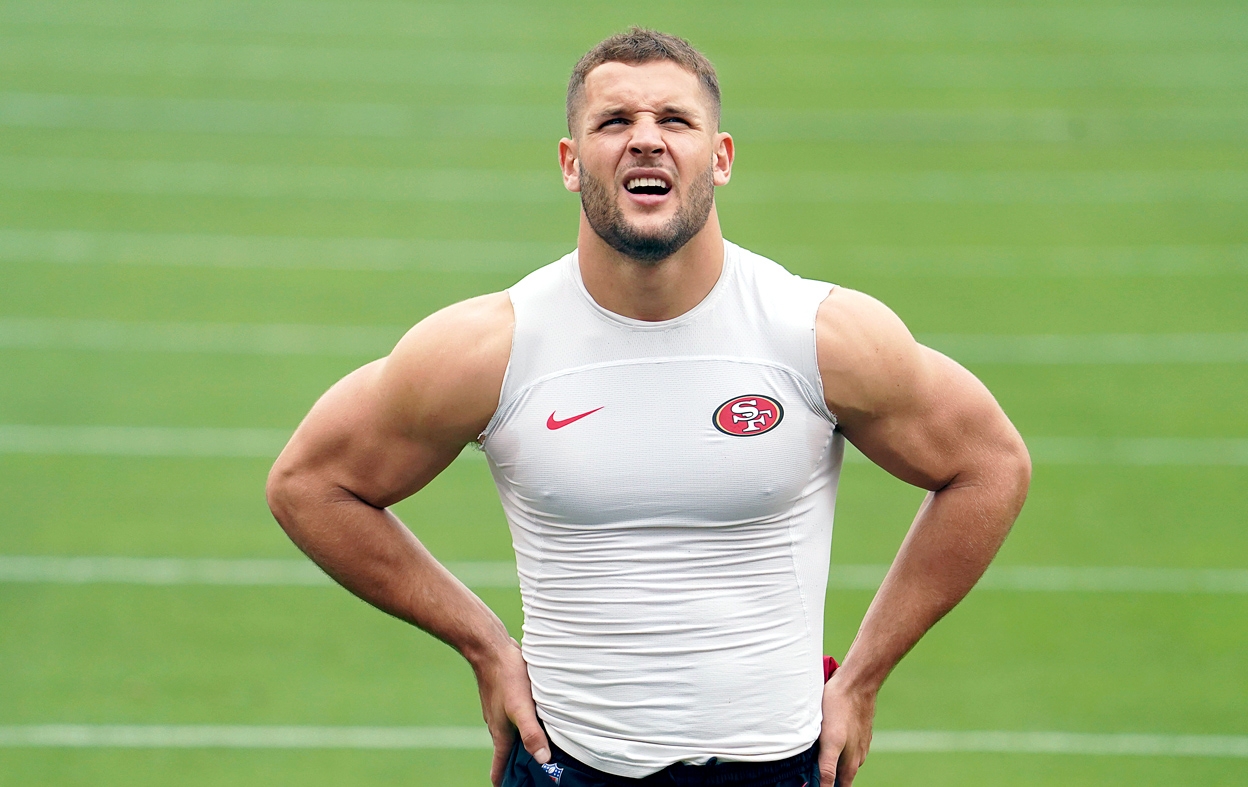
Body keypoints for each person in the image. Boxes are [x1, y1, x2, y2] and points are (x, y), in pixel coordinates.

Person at [266, 27, 1031, 787]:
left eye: (673, 120)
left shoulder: (816, 334)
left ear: (720, 156)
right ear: (570, 163)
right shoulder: (495, 345)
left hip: (779, 768)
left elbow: (989, 463)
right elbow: (309, 483)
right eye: (614, 122)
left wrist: (863, 675)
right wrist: (483, 642)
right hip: (567, 766)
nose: (645, 141)